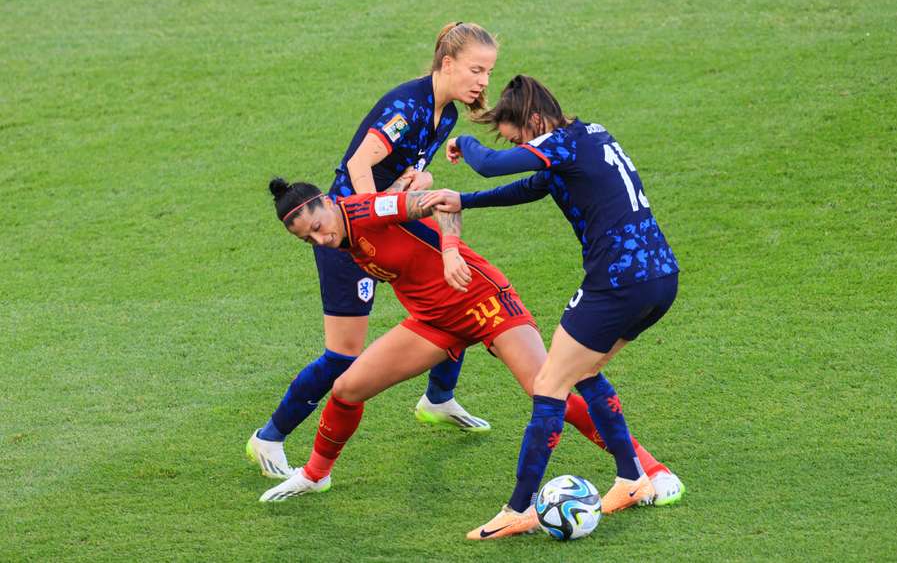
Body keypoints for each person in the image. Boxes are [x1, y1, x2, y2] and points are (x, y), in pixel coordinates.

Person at [257, 178, 674, 518]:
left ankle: (647, 468)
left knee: (548, 389)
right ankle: (314, 475)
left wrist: (450, 251)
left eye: (317, 227)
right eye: (308, 241)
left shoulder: (367, 211)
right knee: (347, 388)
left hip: (485, 302)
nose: (321, 240)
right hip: (434, 322)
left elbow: (444, 203)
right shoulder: (344, 241)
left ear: (328, 203)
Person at [419, 75, 685, 539]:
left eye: (519, 137)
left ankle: (519, 508)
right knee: (583, 371)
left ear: (536, 120)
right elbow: (534, 186)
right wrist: (464, 201)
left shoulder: (559, 142)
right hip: (659, 278)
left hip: (617, 283)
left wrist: (462, 140)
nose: (518, 146)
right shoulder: (590, 136)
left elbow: (493, 166)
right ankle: (631, 478)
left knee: (549, 385)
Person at [246, 23, 500, 480]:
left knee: (456, 290)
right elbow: (360, 163)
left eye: (488, 72)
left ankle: (438, 399)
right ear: (447, 64)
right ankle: (269, 436)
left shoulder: (445, 115)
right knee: (344, 356)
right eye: (477, 70)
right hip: (347, 236)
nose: (483, 81)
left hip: (390, 227)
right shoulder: (408, 105)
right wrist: (372, 213)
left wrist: (414, 183)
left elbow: (406, 173)